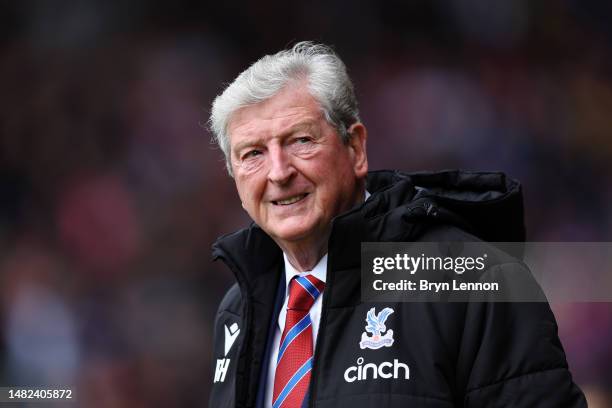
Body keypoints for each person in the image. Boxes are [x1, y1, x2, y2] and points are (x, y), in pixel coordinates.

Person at [208, 42, 586, 407]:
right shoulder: (239, 306)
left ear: (355, 149)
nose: (279, 172)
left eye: (301, 141)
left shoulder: (473, 280)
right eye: (253, 153)